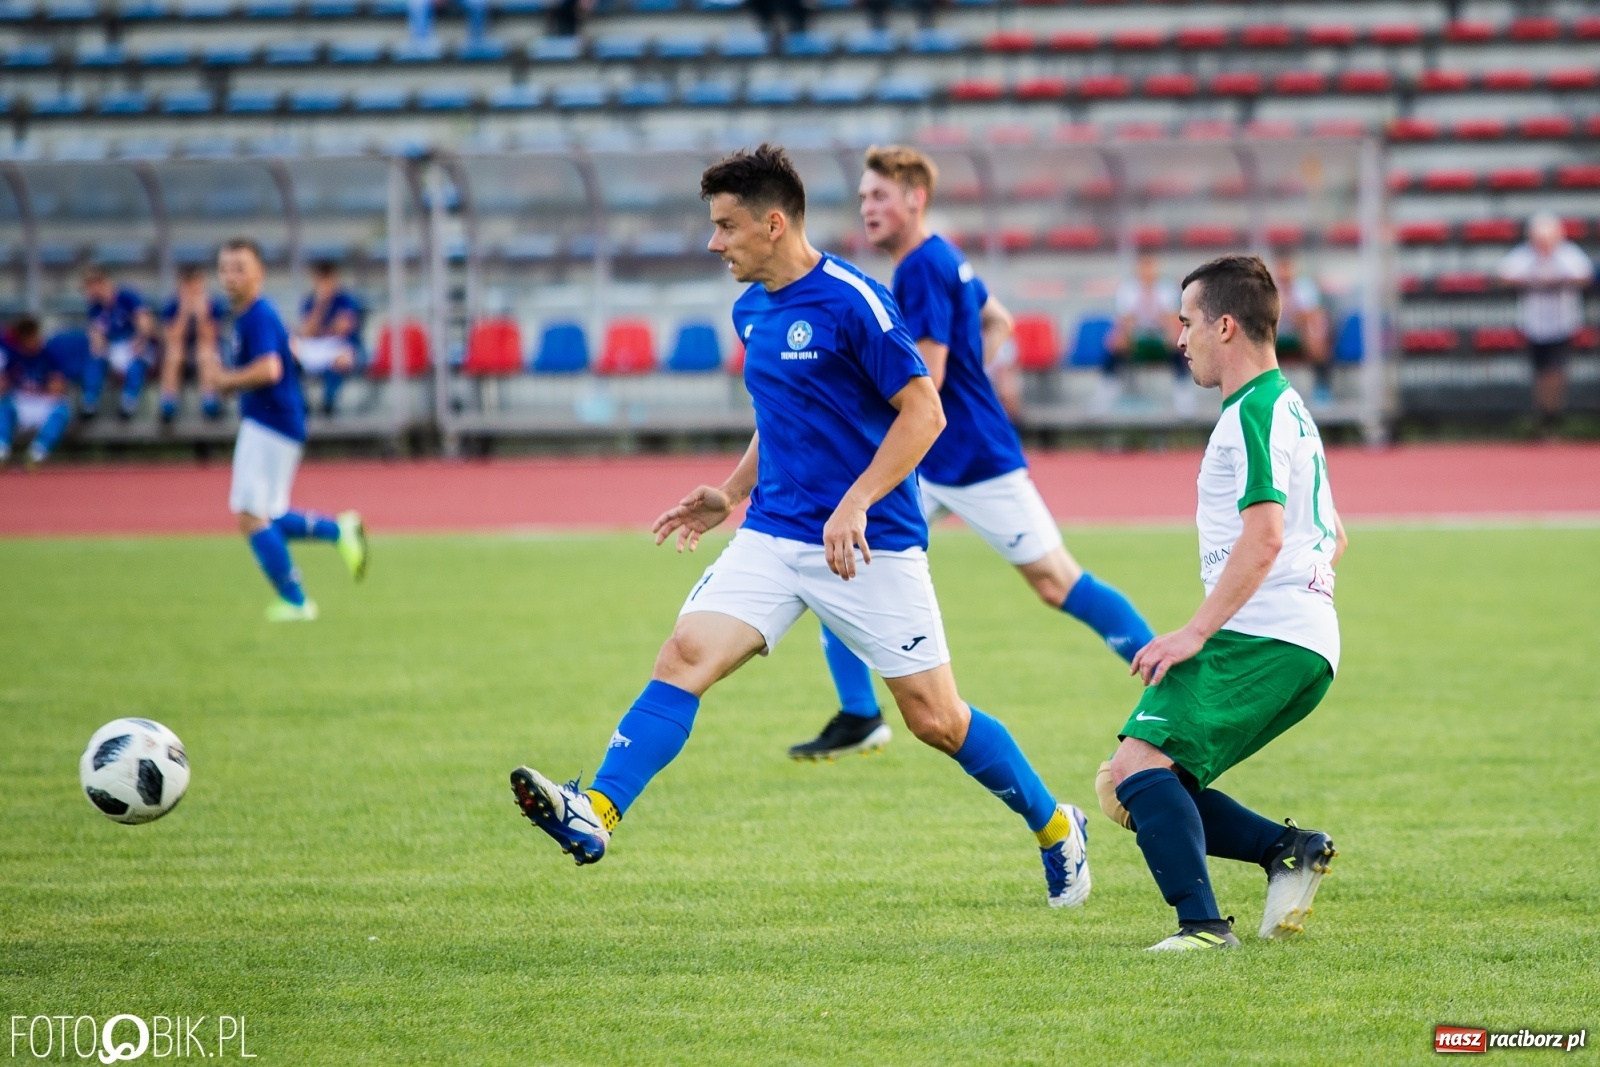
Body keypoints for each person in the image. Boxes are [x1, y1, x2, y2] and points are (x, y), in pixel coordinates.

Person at [509, 145, 1092, 909]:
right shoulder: (750, 307)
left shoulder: (856, 301)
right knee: (684, 655)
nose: (714, 242)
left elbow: (926, 412)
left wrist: (855, 500)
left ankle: (1056, 827)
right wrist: (731, 491)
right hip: (776, 534)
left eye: (726, 226)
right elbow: (780, 415)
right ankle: (598, 811)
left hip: (869, 543)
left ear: (774, 223)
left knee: (937, 720)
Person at [786, 144, 1155, 762]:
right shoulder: (942, 258)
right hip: (932, 457)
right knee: (842, 557)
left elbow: (925, 378)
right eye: (862, 199)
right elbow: (998, 319)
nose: (867, 209)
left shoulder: (920, 268)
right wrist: (970, 382)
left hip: (969, 455)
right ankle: (858, 715)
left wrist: (928, 390)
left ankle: (1166, 674)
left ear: (915, 199)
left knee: (1056, 582)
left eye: (879, 196)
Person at [1099, 254, 1347, 951]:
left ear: (1227, 326)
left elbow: (1267, 537)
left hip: (1265, 635)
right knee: (1125, 782)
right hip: (1295, 636)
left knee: (1139, 766)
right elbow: (1336, 537)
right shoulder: (1289, 407)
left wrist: (1195, 631)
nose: (1179, 339)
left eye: (1187, 322)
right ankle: (1287, 848)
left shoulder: (1252, 414)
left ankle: (1203, 928)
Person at [199, 238, 370, 622]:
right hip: (276, 421)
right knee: (266, 513)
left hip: (269, 422)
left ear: (259, 273)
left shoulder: (257, 315)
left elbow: (270, 369)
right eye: (225, 268)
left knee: (250, 516)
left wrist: (225, 381)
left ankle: (296, 600)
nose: (230, 276)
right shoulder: (252, 316)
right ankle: (338, 533)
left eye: (239, 267)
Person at [1498, 212, 1595, 438]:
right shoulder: (1525, 255)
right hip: (1534, 323)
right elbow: (1504, 276)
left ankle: (1553, 416)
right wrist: (1532, 280)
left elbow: (1585, 276)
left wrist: (1559, 280)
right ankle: (1542, 416)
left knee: (1556, 370)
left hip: (1562, 322)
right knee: (1540, 371)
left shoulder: (1567, 254)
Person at [1099, 252, 1196, 418]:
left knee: (1179, 351)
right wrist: (1124, 338)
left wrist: (1172, 337)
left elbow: (1171, 319)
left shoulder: (1165, 289)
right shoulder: (1129, 289)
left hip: (1159, 338)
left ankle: (1184, 403)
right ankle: (1102, 400)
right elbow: (1126, 320)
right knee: (1113, 351)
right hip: (1137, 339)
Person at [158, 265, 231, 424]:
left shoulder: (212, 304)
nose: (192, 290)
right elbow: (172, 337)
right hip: (180, 358)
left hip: (206, 357)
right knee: (174, 352)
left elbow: (211, 337)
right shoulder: (172, 305)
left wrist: (201, 315)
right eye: (188, 285)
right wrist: (183, 313)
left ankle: (210, 401)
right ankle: (168, 403)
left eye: (195, 284)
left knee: (204, 351)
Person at [82, 268, 157, 419]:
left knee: (138, 361)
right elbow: (96, 335)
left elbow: (146, 322)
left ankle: (128, 402)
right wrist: (99, 344)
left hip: (134, 342)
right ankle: (89, 402)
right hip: (114, 346)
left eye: (91, 286)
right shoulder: (95, 308)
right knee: (95, 360)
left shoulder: (126, 297)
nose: (89, 292)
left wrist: (141, 339)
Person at [295, 261, 366, 416]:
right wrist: (321, 305)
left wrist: (321, 330)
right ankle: (302, 406)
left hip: (344, 348)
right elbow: (307, 331)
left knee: (338, 362)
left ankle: (328, 405)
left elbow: (342, 329)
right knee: (292, 359)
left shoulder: (345, 299)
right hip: (317, 348)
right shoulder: (311, 301)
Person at [0, 316, 72, 468]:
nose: (34, 340)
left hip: (43, 401)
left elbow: (59, 386)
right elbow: (4, 383)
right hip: (22, 401)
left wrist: (52, 385)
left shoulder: (49, 353)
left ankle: (36, 454)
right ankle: (2, 452)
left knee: (62, 409)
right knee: (5, 407)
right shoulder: (14, 356)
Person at [1271, 253, 1333, 407]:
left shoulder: (1304, 287)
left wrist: (1293, 314)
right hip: (1273, 333)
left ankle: (1322, 387)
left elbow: (1311, 314)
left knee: (1316, 334)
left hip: (1300, 333)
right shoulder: (1269, 288)